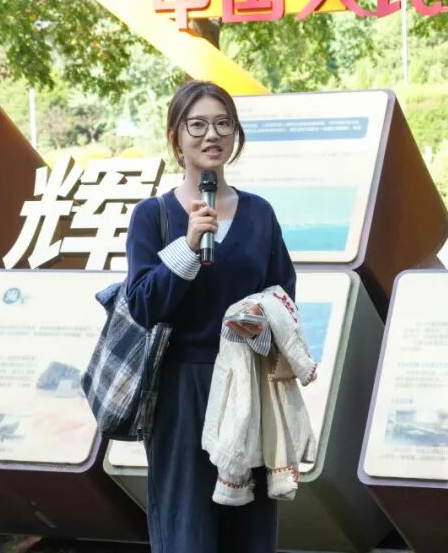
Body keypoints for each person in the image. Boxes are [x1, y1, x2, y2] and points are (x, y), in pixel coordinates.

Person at [124, 80, 296, 553]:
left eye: (223, 124)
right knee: (187, 526)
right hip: (181, 390)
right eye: (197, 125)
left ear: (235, 134)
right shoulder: (153, 216)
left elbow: (284, 295)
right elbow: (142, 305)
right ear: (176, 137)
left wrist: (261, 319)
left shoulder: (259, 214)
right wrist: (187, 247)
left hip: (248, 384)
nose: (211, 135)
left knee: (250, 526)